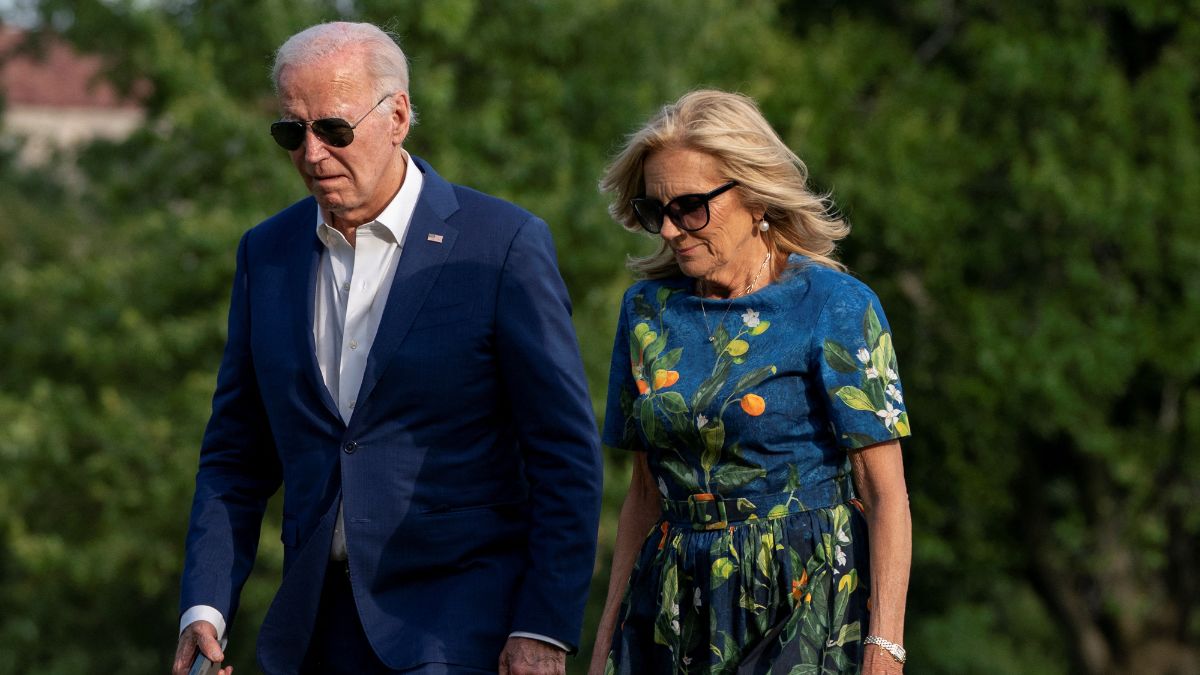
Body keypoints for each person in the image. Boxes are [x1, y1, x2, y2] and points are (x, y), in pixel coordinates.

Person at [170, 21, 602, 675]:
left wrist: (544, 624)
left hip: (463, 630)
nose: (312, 154)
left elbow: (564, 454)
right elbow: (235, 456)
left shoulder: (502, 245)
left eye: (333, 130)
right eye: (292, 132)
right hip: (312, 631)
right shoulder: (267, 252)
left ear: (397, 114)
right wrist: (204, 607)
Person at [588, 90, 912, 675]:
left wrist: (885, 645)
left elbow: (886, 494)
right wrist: (607, 639)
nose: (669, 229)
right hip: (674, 604)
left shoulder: (835, 306)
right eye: (653, 210)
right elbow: (642, 493)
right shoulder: (646, 314)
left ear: (755, 195)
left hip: (807, 598)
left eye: (690, 206)